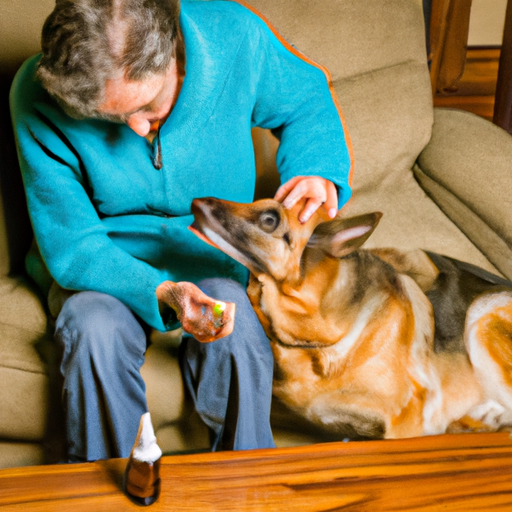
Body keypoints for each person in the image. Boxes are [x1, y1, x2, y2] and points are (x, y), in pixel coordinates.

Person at [10, 0, 353, 464]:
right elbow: (73, 248)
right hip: (104, 268)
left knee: (237, 337)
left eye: (147, 105)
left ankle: (250, 483)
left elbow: (306, 99)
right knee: (91, 329)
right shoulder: (34, 93)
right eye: (107, 117)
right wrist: (164, 292)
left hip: (212, 258)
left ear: (174, 53)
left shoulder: (234, 37)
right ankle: (111, 487)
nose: (134, 129)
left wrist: (317, 169)